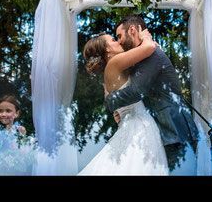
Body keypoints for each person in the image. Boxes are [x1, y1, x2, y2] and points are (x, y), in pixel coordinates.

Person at [105, 15, 199, 175]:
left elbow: (136, 91)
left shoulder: (152, 54)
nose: (119, 41)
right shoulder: (142, 55)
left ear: (132, 30)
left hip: (175, 133)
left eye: (119, 36)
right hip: (165, 133)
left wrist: (110, 102)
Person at [78, 25, 169, 175]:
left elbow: (116, 108)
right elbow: (149, 47)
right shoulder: (114, 63)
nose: (119, 42)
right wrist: (144, 35)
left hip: (131, 125)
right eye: (113, 40)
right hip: (138, 127)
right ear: (107, 49)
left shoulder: (112, 71)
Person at [0, 95, 34, 175]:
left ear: (16, 114)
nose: (3, 114)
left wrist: (22, 136)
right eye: (0, 111)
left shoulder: (19, 131)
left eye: (8, 111)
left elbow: (24, 154)